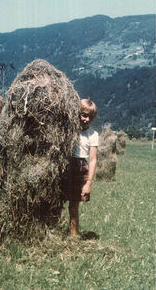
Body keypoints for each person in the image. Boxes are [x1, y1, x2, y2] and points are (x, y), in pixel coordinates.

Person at [68, 99, 99, 236]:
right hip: (65, 164)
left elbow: (92, 160)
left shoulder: (93, 135)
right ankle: (51, 230)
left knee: (74, 204)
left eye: (90, 117)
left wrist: (88, 183)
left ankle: (73, 234)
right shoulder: (69, 130)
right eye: (84, 115)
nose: (86, 119)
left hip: (79, 167)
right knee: (56, 200)